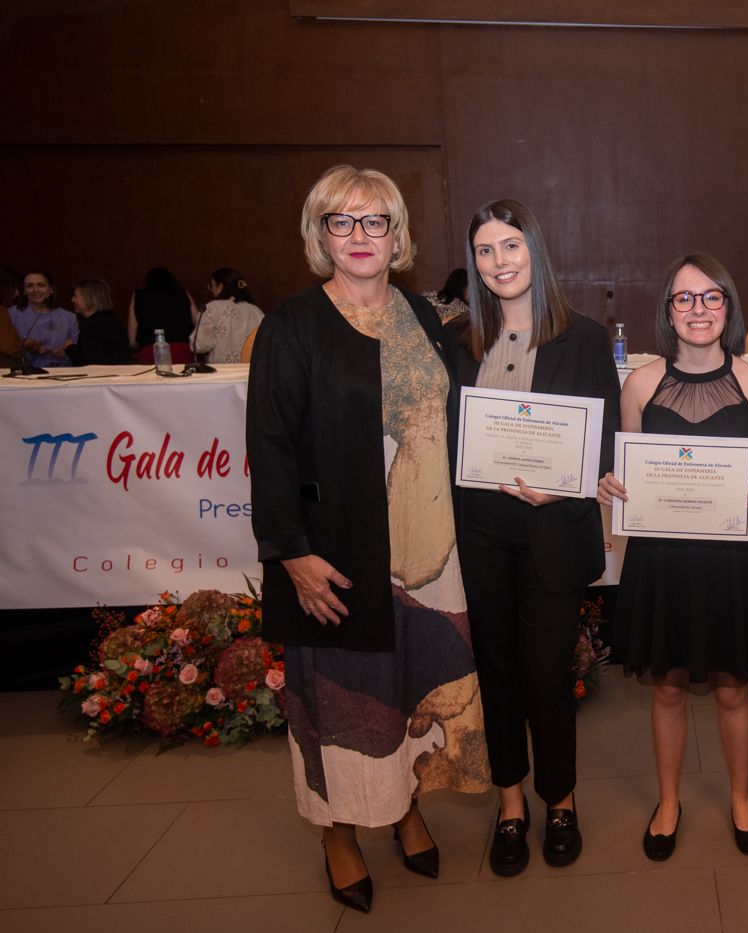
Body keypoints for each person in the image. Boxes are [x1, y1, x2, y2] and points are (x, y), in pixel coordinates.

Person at [246, 164, 491, 914]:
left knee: (411, 683)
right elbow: (270, 445)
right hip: (341, 556)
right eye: (341, 222)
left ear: (396, 234)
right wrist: (292, 553)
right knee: (344, 702)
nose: (359, 236)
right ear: (320, 235)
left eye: (374, 221)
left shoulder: (420, 312)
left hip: (431, 550)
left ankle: (404, 804)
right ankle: (339, 830)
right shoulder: (292, 325)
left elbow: (458, 415)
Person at [450, 198, 620, 877]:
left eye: (511, 246)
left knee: (547, 677)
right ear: (475, 262)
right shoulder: (459, 339)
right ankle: (511, 803)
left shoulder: (582, 337)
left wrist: (572, 480)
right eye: (486, 251)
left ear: (536, 251)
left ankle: (561, 801)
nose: (500, 261)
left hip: (554, 525)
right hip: (484, 530)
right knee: (497, 671)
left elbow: (604, 435)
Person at [597, 254, 748, 862]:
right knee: (669, 687)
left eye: (711, 297)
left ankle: (740, 797)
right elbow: (624, 470)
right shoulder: (640, 384)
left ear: (728, 307)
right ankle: (671, 800)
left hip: (733, 563)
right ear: (668, 311)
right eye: (685, 298)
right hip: (663, 561)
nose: (698, 309)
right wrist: (611, 486)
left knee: (733, 688)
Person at [7, 271, 78, 368]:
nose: (35, 290)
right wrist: (29, 347)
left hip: (61, 371)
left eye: (41, 285)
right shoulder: (11, 314)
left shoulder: (69, 317)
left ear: (51, 289)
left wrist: (65, 352)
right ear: (24, 291)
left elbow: (77, 350)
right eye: (30, 286)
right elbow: (7, 346)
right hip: (25, 373)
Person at [193, 267, 264, 364]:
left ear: (220, 286)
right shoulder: (255, 310)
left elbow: (200, 345)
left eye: (212, 285)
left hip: (220, 371)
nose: (211, 289)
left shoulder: (212, 308)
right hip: (249, 371)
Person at [127, 266, 197, 355]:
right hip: (181, 348)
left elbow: (131, 337)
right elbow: (198, 321)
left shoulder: (138, 296)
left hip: (150, 350)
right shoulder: (183, 293)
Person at [68, 279, 130, 365]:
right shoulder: (113, 321)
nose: (72, 300)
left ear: (88, 298)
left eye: (75, 296)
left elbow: (89, 363)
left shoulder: (92, 325)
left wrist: (69, 348)